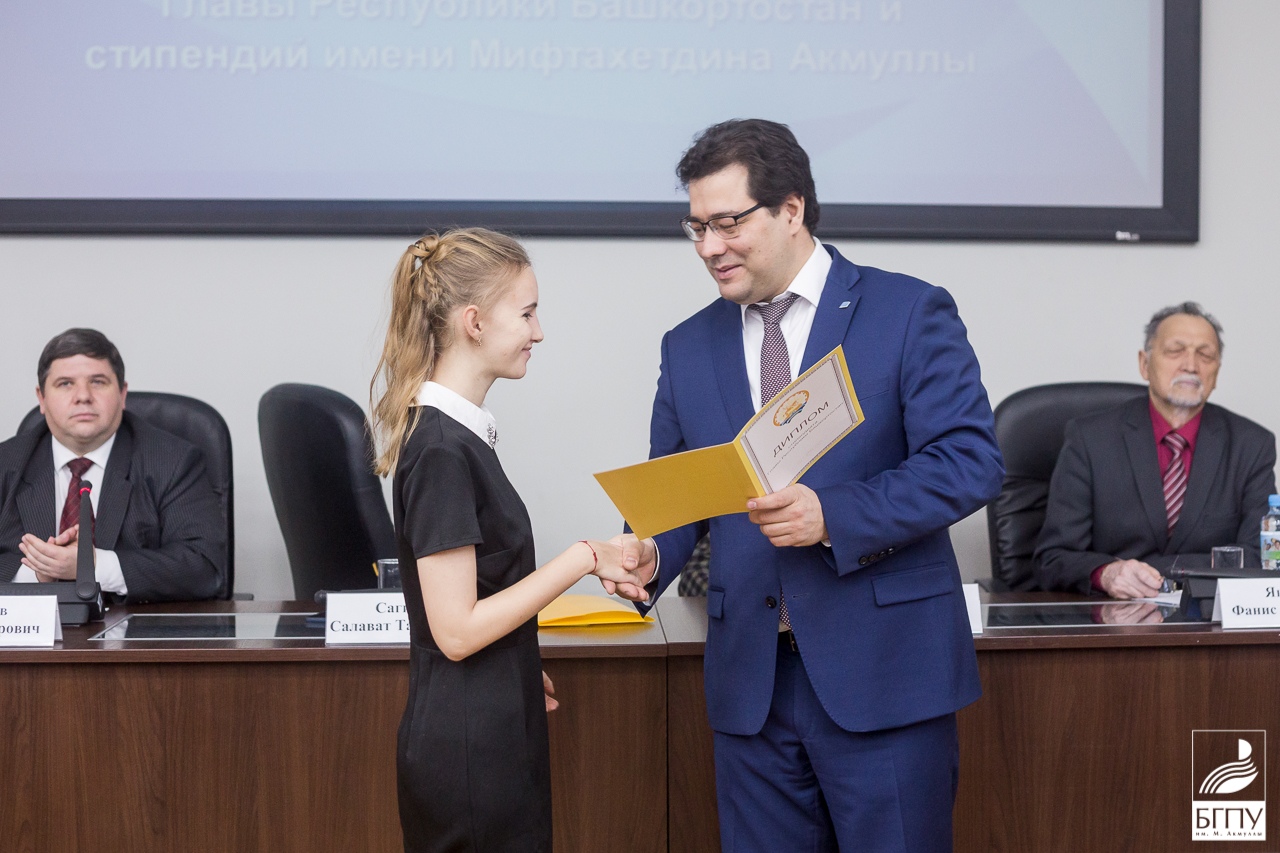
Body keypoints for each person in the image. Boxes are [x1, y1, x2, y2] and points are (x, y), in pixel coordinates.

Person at [604, 119, 1004, 852]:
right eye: (696, 227)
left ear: (791, 209)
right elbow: (679, 492)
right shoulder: (687, 345)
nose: (709, 247)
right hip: (751, 689)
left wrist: (834, 515)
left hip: (884, 674)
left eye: (728, 223)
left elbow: (969, 460)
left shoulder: (907, 312)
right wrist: (649, 554)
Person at [369, 228, 645, 853]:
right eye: (526, 314)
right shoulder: (442, 451)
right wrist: (584, 558)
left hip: (489, 732)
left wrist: (513, 669)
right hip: (467, 757)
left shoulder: (459, 438)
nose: (538, 332)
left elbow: (476, 601)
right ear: (473, 322)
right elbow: (456, 631)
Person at [1034, 302, 1277, 598]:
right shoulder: (1090, 439)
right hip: (1110, 615)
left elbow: (1263, 556)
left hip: (1208, 615)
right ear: (1144, 363)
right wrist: (1106, 573)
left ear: (1217, 371)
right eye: (1175, 351)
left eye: (1205, 355)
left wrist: (1159, 570)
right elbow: (1053, 558)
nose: (1191, 365)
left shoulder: (1251, 445)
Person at [0, 328, 226, 601]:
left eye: (97, 382)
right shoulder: (6, 463)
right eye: (65, 383)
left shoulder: (173, 461)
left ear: (122, 393)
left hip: (138, 627)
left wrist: (95, 566)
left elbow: (204, 567)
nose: (83, 396)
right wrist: (38, 574)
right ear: (42, 398)